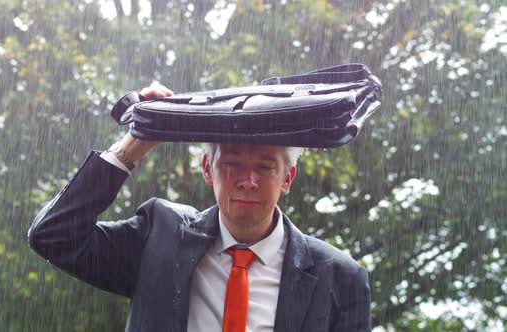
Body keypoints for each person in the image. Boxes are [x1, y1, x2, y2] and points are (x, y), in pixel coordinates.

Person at [28, 84, 371, 332]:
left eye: (265, 167)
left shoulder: (339, 277)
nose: (247, 180)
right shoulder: (159, 237)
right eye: (232, 164)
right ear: (207, 169)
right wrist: (134, 143)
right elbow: (54, 237)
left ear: (287, 177)